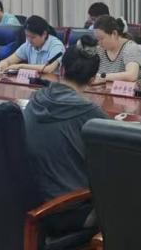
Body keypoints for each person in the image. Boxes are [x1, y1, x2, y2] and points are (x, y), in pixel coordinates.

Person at [23, 39, 108, 203]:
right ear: (92, 80)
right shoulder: (91, 113)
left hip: (26, 196)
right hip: (66, 205)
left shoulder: (35, 98)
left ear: (61, 69)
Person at [0, 15, 64, 74]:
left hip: (51, 84)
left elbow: (49, 69)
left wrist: (21, 66)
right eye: (27, 36)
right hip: (34, 83)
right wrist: (3, 63)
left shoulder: (56, 46)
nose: (29, 40)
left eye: (33, 37)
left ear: (44, 34)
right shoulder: (28, 45)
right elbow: (9, 60)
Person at [93, 16, 141, 88]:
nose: (99, 42)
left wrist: (102, 77)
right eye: (97, 39)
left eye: (101, 38)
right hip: (106, 91)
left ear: (114, 33)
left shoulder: (131, 48)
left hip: (134, 93)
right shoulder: (100, 50)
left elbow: (131, 76)